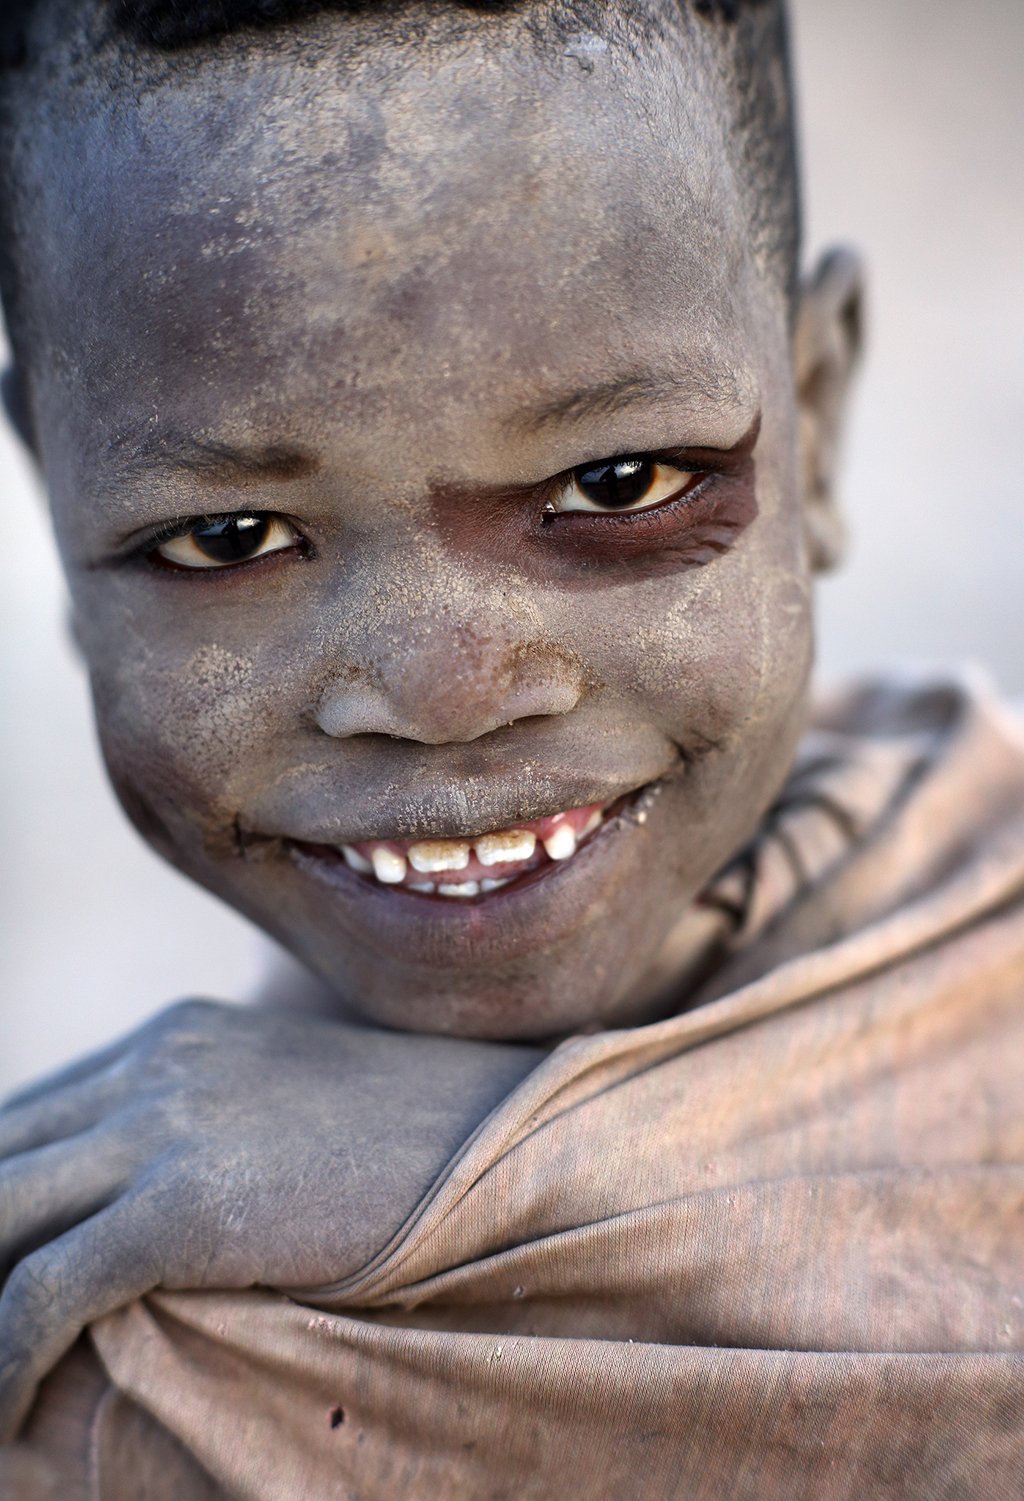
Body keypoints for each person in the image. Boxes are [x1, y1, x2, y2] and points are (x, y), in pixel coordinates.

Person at [0, 0, 1021, 1495]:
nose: (444, 690)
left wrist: (473, 1158)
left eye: (617, 481)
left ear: (812, 407)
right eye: (229, 536)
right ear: (54, 499)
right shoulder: (110, 1351)